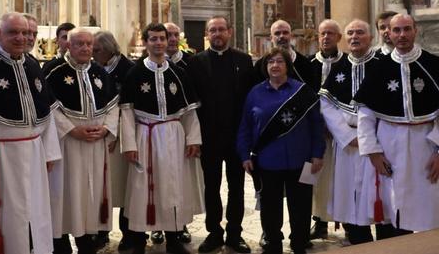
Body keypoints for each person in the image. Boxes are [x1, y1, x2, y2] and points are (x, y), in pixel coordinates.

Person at [355, 14, 439, 233]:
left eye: (407, 29)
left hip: (426, 144)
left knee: (432, 205)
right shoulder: (379, 69)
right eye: (396, 30)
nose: (402, 35)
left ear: (416, 31)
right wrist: (373, 152)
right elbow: (366, 115)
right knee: (393, 207)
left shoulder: (434, 64)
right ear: (388, 33)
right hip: (389, 145)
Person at [0, 12, 62, 254]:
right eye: (13, 32)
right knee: (5, 213)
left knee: (35, 209)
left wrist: (49, 152)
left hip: (33, 151)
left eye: (25, 32)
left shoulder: (31, 63)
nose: (21, 38)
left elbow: (47, 111)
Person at [120, 23, 204, 254]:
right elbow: (126, 111)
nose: (158, 43)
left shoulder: (179, 72)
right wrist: (128, 144)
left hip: (174, 136)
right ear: (146, 43)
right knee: (142, 188)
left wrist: (193, 139)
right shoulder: (135, 73)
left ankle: (174, 237)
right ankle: (138, 239)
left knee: (173, 187)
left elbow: (189, 110)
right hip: (145, 134)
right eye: (153, 39)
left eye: (162, 39)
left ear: (168, 42)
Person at [237, 47, 325, 254]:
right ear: (265, 67)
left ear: (288, 66)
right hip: (267, 162)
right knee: (270, 208)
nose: (275, 65)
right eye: (270, 62)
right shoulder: (255, 93)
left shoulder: (302, 91)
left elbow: (317, 126)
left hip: (302, 160)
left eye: (279, 62)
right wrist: (244, 154)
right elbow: (245, 126)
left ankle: (299, 242)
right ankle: (273, 242)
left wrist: (317, 154)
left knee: (301, 207)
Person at [45, 28, 120, 254]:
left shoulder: (99, 72)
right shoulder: (54, 71)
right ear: (69, 46)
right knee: (65, 193)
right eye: (80, 44)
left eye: (90, 45)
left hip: (95, 144)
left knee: (91, 193)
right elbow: (47, 108)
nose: (86, 49)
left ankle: (88, 240)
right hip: (67, 144)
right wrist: (71, 130)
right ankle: (61, 243)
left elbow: (114, 105)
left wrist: (106, 128)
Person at [319, 20, 393, 244]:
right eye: (350, 33)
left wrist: (374, 136)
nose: (354, 37)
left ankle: (390, 243)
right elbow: (325, 103)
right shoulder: (339, 68)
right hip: (349, 145)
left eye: (360, 32)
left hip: (380, 143)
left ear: (371, 38)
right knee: (352, 197)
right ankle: (360, 241)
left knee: (382, 198)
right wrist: (347, 136)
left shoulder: (385, 65)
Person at [186, 16, 254, 254]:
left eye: (221, 29)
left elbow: (250, 99)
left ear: (230, 32)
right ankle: (214, 233)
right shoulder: (196, 62)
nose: (217, 33)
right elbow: (192, 100)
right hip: (209, 137)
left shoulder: (245, 61)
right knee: (211, 187)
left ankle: (235, 234)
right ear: (207, 34)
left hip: (237, 137)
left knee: (237, 187)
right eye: (212, 30)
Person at [91, 30, 134, 249]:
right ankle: (101, 231)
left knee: (125, 187)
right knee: (101, 187)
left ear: (109, 48)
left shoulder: (129, 69)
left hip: (121, 135)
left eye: (96, 49)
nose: (92, 53)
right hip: (99, 134)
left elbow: (129, 107)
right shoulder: (92, 69)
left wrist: (115, 131)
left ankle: (128, 233)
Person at [307, 20, 345, 241]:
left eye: (331, 33)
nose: (326, 37)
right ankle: (319, 222)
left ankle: (349, 221)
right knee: (317, 178)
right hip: (316, 133)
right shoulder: (309, 63)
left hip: (342, 134)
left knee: (343, 176)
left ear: (339, 37)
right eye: (322, 34)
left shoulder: (349, 63)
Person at [255, 20, 316, 88]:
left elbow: (311, 91)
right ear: (271, 38)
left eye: (285, 33)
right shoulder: (260, 65)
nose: (281, 36)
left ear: (291, 36)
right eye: (277, 33)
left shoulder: (305, 63)